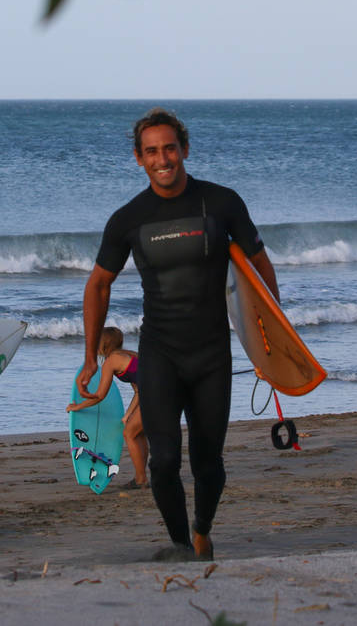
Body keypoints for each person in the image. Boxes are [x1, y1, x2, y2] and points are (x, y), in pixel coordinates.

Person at [78, 108, 279, 562]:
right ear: (138, 158)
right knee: (163, 461)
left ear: (184, 149)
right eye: (151, 151)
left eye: (169, 148)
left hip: (212, 354)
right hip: (160, 354)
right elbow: (99, 284)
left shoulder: (222, 203)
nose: (162, 158)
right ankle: (179, 544)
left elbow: (260, 266)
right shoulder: (129, 218)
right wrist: (91, 355)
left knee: (209, 463)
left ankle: (202, 528)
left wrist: (274, 341)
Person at [67, 326, 149, 490]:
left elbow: (99, 396)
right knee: (138, 433)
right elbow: (139, 390)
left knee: (129, 434)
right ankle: (141, 477)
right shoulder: (127, 355)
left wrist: (77, 407)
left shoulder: (111, 362)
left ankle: (141, 480)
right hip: (162, 389)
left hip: (156, 393)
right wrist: (128, 414)